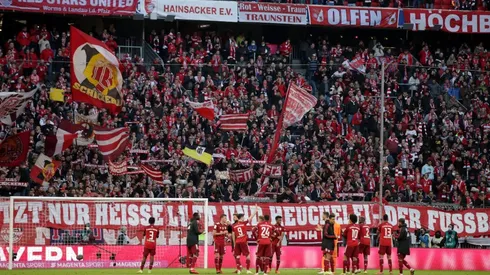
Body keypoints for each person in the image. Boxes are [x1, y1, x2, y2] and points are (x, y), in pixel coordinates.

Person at [232, 206, 258, 274]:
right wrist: (255, 211)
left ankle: (239, 270)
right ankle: (248, 270)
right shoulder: (244, 223)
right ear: (241, 218)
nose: (244, 218)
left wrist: (234, 244)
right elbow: (251, 217)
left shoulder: (234, 226)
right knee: (248, 255)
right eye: (243, 217)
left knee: (237, 256)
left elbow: (233, 235)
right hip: (243, 241)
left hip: (237, 242)